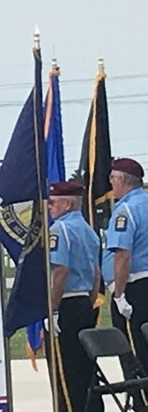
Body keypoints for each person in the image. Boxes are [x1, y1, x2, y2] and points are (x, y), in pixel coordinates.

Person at [43, 181, 103, 412]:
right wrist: (89, 300)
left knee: (65, 371)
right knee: (85, 368)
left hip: (65, 303)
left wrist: (53, 309)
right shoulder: (89, 231)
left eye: (53, 203)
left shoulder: (60, 230)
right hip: (83, 302)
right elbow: (96, 273)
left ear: (67, 204)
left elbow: (60, 271)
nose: (50, 208)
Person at [106, 157, 148, 408]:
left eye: (112, 178)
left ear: (122, 180)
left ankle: (142, 404)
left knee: (134, 352)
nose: (111, 183)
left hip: (133, 288)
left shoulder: (125, 210)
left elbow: (122, 255)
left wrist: (119, 295)